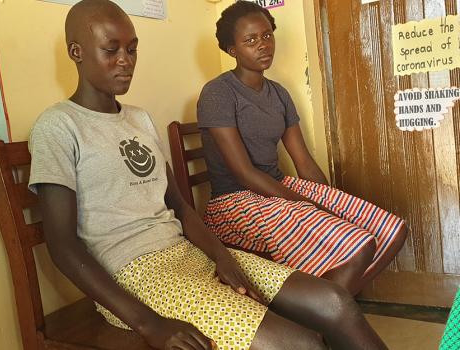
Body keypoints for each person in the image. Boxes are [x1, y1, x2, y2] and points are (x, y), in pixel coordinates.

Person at [28, 1, 387, 349]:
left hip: (187, 253)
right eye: (111, 50)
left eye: (132, 49)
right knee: (299, 343)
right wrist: (149, 323)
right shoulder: (59, 126)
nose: (126, 61)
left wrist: (223, 257)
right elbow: (63, 246)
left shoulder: (139, 119)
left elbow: (180, 207)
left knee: (334, 303)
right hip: (132, 276)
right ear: (76, 51)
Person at [197, 1, 407, 296]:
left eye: (267, 35)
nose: (263, 45)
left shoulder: (279, 94)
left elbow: (304, 161)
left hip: (276, 187)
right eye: (250, 40)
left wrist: (330, 204)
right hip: (234, 202)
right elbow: (243, 173)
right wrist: (305, 204)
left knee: (392, 231)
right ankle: (325, 320)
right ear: (232, 49)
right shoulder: (218, 92)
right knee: (359, 246)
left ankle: (323, 314)